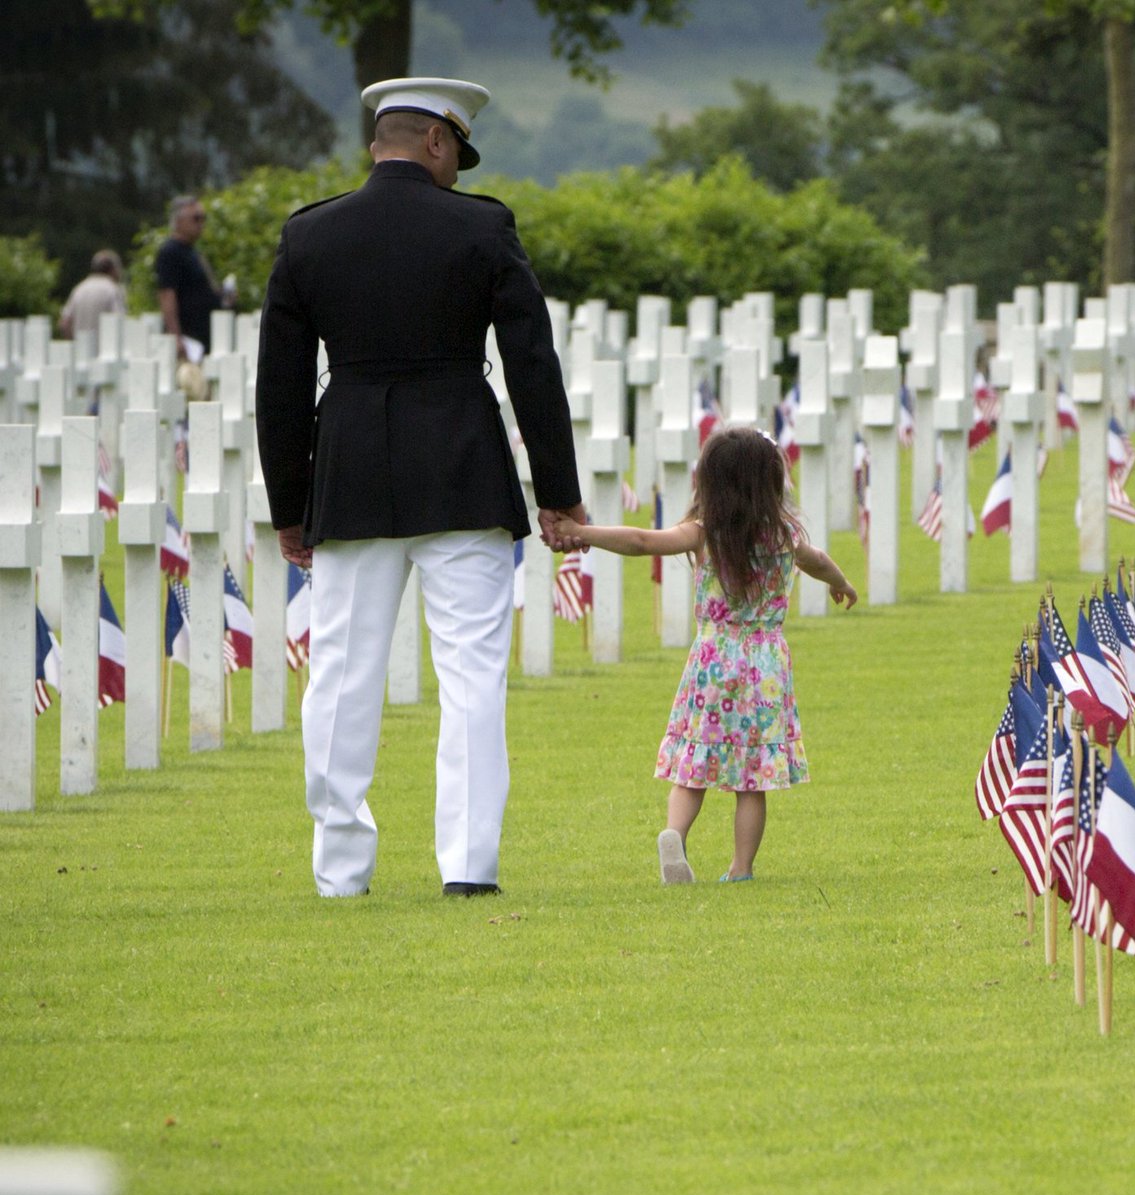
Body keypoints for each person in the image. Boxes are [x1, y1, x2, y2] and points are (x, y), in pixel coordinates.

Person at [255, 77, 585, 899]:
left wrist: (289, 510)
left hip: (352, 475)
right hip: (463, 472)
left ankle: (340, 870)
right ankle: (468, 868)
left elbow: (281, 389)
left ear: (379, 141)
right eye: (457, 157)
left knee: (340, 673)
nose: (459, 175)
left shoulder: (308, 236)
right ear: (438, 142)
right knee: (471, 675)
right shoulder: (482, 228)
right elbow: (531, 366)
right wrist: (558, 492)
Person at [562, 427, 855, 884]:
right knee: (751, 778)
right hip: (764, 667)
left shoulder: (705, 533)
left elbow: (641, 541)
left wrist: (583, 532)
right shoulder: (786, 535)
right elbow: (818, 561)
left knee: (694, 762)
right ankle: (741, 868)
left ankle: (675, 834)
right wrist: (841, 583)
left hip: (713, 659)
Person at [155, 197, 234, 389]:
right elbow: (167, 294)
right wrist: (176, 336)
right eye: (196, 218)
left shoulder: (193, 252)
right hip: (189, 339)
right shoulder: (170, 252)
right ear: (178, 220)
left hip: (203, 336)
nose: (201, 223)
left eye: (203, 218)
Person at [58, 251, 126, 348]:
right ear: (113, 270)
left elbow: (64, 324)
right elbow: (120, 321)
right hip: (105, 355)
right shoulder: (113, 289)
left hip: (81, 354)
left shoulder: (79, 289)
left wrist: (75, 346)